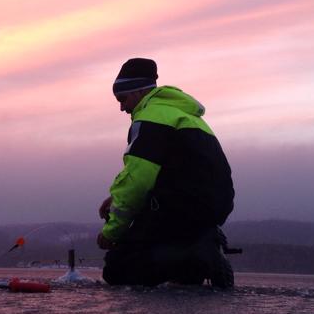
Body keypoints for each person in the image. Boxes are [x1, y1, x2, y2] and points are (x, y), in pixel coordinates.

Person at [97, 57, 236, 287]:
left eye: (122, 98)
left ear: (137, 91)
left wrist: (111, 233)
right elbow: (167, 170)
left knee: (117, 269)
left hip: (178, 207)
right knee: (170, 256)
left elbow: (138, 181)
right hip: (212, 207)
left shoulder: (151, 118)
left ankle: (199, 254)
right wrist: (115, 198)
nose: (122, 107)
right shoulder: (187, 117)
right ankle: (198, 245)